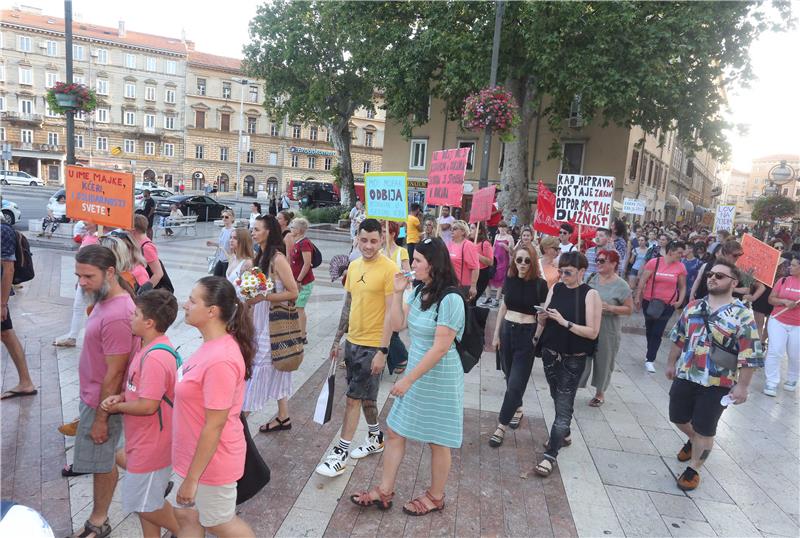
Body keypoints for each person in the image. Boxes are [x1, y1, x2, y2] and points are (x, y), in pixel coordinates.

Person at [350, 237, 465, 515]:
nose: (411, 265)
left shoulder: (451, 298)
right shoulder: (419, 291)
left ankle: (436, 496)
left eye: (417, 261)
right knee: (395, 431)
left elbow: (440, 348)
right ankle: (384, 490)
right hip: (416, 369)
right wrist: (399, 292)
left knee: (438, 440)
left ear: (433, 265)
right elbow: (399, 324)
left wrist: (408, 379)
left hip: (440, 377)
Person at [666, 259, 763, 491]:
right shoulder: (694, 307)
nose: (712, 278)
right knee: (677, 417)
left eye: (719, 276)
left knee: (705, 428)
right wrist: (671, 363)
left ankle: (694, 468)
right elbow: (679, 338)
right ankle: (694, 440)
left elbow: (750, 354)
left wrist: (742, 386)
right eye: (711, 274)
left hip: (718, 381)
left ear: (734, 282)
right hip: (687, 374)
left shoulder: (742, 315)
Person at [173, 277, 255, 537]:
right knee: (187, 517)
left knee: (219, 523)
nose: (185, 304)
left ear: (212, 311)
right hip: (194, 456)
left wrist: (192, 479)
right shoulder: (211, 345)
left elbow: (215, 424)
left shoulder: (221, 359)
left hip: (211, 463)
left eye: (192, 300)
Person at [317, 219, 396, 477]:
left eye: (374, 241)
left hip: (373, 345)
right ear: (357, 239)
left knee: (352, 399)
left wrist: (383, 351)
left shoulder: (390, 269)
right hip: (352, 341)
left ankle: (340, 453)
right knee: (366, 399)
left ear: (381, 240)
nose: (369, 246)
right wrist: (336, 340)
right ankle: (375, 437)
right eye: (364, 240)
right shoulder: (353, 266)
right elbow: (348, 304)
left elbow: (391, 315)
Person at [99, 290, 180, 538]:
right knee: (147, 505)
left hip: (152, 446)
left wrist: (116, 407)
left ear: (149, 323)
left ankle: (189, 530)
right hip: (142, 442)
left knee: (144, 505)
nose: (130, 318)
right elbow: (141, 392)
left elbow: (147, 406)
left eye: (135, 314)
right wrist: (122, 397)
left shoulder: (155, 357)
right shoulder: (148, 348)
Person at [69, 245, 137, 538]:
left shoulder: (119, 313)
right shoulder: (103, 296)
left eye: (88, 276)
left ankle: (98, 522)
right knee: (106, 455)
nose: (81, 282)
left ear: (110, 272)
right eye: (78, 275)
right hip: (93, 395)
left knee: (101, 462)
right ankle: (146, 476)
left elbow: (116, 371)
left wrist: (100, 418)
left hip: (103, 401)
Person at [533, 251, 601, 476]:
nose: (562, 276)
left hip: (574, 357)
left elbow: (592, 332)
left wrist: (565, 322)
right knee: (556, 396)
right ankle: (565, 433)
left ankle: (551, 454)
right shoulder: (557, 288)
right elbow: (545, 317)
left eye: (568, 272)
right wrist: (540, 322)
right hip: (551, 351)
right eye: (561, 271)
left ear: (582, 272)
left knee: (564, 403)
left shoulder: (590, 295)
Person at [489, 244, 548, 446]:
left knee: (516, 383)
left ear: (532, 262)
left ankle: (501, 426)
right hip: (508, 331)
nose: (522, 264)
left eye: (526, 260)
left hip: (527, 334)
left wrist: (535, 338)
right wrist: (496, 334)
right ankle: (518, 408)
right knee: (509, 376)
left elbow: (542, 316)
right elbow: (503, 307)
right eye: (518, 260)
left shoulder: (541, 284)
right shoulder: (510, 279)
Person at [248, 215, 299, 430]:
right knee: (275, 366)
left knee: (260, 365)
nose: (253, 232)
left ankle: (241, 415)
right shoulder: (259, 256)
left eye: (257, 229)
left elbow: (293, 292)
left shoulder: (277, 259)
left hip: (273, 322)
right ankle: (283, 416)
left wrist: (265, 297)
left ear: (268, 232)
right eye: (253, 229)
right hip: (260, 317)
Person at [581, 250, 633, 406]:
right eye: (597, 260)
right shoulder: (592, 278)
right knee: (582, 357)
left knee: (604, 360)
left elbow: (629, 309)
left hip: (607, 329)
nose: (598, 263)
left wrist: (611, 308)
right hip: (588, 325)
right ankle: (575, 385)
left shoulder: (621, 285)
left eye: (602, 261)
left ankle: (599, 393)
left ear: (613, 264)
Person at [634, 240, 687, 373]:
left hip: (668, 304)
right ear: (671, 251)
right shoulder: (654, 262)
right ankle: (650, 350)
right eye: (679, 252)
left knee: (658, 331)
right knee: (650, 329)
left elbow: (682, 286)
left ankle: (650, 359)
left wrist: (680, 301)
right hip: (650, 302)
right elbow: (643, 281)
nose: (681, 255)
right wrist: (637, 296)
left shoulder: (680, 267)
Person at [0, 220, 35, 400]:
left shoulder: (2, 231)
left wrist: (2, 303)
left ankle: (26, 381)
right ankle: (25, 381)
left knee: (6, 333)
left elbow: (8, 268)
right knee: (6, 334)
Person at [53, 222, 99, 348]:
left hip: (94, 279)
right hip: (83, 278)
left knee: (96, 309)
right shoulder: (87, 237)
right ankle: (73, 337)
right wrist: (78, 279)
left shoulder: (99, 238)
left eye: (87, 223)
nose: (84, 224)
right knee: (78, 307)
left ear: (96, 224)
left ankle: (95, 338)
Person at [763, 254, 800, 396]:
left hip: (797, 325)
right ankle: (771, 382)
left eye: (794, 265)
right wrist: (784, 302)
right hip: (778, 320)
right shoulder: (783, 281)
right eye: (791, 264)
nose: (790, 267)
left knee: (795, 354)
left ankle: (792, 379)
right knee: (775, 350)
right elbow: (771, 299)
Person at [289, 217, 315, 343]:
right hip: (297, 281)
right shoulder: (297, 241)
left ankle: (302, 336)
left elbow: (307, 263)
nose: (290, 228)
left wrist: (298, 280)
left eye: (292, 226)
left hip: (304, 282)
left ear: (299, 230)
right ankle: (298, 332)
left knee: (299, 308)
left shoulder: (304, 243)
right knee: (297, 307)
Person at [447, 220, 480, 302]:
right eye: (451, 229)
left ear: (462, 231)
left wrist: (473, 286)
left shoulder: (468, 245)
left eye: (454, 229)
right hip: (449, 284)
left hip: (462, 286)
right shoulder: (449, 244)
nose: (452, 231)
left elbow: (475, 267)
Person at [133, 215, 165, 292]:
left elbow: (158, 273)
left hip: (144, 290)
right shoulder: (139, 243)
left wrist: (143, 291)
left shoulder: (146, 247)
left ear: (133, 229)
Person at [484, 221, 513, 307]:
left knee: (501, 280)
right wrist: (490, 257)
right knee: (489, 278)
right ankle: (488, 297)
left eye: (504, 227)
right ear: (498, 228)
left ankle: (497, 299)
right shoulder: (496, 236)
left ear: (506, 228)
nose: (502, 229)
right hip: (495, 260)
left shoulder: (509, 237)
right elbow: (493, 247)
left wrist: (505, 246)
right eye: (500, 227)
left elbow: (511, 251)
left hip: (504, 261)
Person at [206, 210, 235, 277]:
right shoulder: (223, 229)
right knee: (215, 278)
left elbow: (235, 248)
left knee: (223, 282)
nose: (224, 218)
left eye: (226, 217)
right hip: (220, 259)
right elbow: (221, 244)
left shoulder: (233, 231)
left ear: (232, 218)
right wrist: (213, 244)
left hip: (228, 261)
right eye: (222, 217)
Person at [472, 222, 494, 304]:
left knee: (472, 299)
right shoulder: (471, 242)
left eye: (472, 228)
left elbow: (490, 262)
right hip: (472, 272)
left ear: (479, 230)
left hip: (482, 274)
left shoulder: (485, 243)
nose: (470, 230)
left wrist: (477, 255)